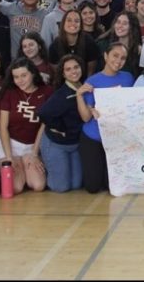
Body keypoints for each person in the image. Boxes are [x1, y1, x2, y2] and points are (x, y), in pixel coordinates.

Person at [76, 42, 135, 193]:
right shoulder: (92, 81)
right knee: (93, 187)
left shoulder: (128, 78)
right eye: (115, 55)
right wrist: (79, 96)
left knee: (112, 186)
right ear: (105, 56)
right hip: (93, 137)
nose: (118, 60)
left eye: (123, 58)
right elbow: (85, 118)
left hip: (116, 138)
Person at [0, 58, 54, 195]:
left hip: (32, 145)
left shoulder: (47, 92)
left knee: (38, 185)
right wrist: (9, 156)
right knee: (15, 188)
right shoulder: (9, 93)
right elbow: (2, 127)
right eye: (16, 77)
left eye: (23, 75)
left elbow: (44, 125)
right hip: (10, 144)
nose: (19, 80)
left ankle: (25, 164)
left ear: (32, 74)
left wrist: (34, 152)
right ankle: (18, 166)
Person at [37, 55, 87, 192]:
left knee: (76, 185)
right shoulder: (62, 94)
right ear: (63, 74)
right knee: (61, 187)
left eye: (76, 67)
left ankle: (59, 170)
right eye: (68, 69)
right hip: (56, 143)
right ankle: (50, 170)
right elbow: (43, 113)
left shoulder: (84, 88)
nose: (74, 71)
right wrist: (61, 128)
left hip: (74, 144)